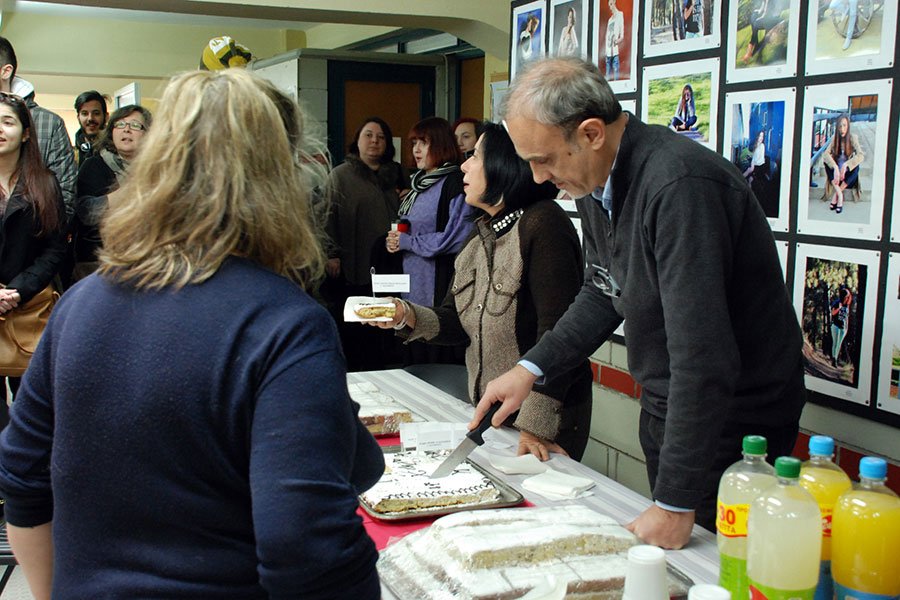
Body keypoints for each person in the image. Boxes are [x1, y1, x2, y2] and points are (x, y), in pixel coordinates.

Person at [0, 69, 383, 599]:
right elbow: (307, 546)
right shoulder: (283, 324)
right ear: (280, 176)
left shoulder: (79, 306)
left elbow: (23, 478)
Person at [473, 57, 805, 550]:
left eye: (544, 160)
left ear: (590, 133)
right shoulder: (590, 179)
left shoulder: (679, 186)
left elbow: (702, 356)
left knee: (712, 565)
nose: (539, 179)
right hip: (671, 404)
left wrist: (674, 502)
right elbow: (604, 289)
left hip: (733, 420)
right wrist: (531, 368)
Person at [374, 122, 592, 460]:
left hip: (541, 420)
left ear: (503, 164)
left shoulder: (543, 223)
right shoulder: (479, 236)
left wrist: (536, 426)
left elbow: (557, 335)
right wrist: (406, 315)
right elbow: (453, 321)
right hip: (493, 416)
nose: (464, 165)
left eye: (475, 155)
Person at [0, 92, 66, 427]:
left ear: (26, 133)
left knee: (31, 413)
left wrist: (16, 291)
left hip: (27, 307)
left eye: (7, 122)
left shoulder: (45, 183)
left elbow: (55, 248)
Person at [386, 117, 473, 365]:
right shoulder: (417, 185)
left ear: (442, 144)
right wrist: (394, 241)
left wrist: (408, 242)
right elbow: (409, 232)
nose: (416, 149)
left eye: (424, 142)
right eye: (414, 142)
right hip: (410, 286)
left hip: (438, 287)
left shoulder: (455, 182)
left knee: (436, 363)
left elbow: (456, 238)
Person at [324, 116, 404, 370]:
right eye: (368, 135)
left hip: (392, 265)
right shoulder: (341, 176)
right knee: (356, 325)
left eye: (381, 137)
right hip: (354, 263)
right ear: (357, 141)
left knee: (388, 322)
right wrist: (331, 253)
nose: (374, 141)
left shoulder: (398, 175)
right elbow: (326, 216)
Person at [73, 104, 152, 280]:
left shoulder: (160, 169)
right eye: (120, 125)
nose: (127, 130)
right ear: (111, 132)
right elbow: (86, 213)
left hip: (148, 261)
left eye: (135, 125)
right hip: (99, 263)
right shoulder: (94, 165)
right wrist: (136, 186)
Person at [823, 114, 863, 215]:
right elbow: (825, 154)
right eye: (840, 126)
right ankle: (840, 195)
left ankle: (836, 195)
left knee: (857, 166)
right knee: (826, 162)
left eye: (844, 125)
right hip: (836, 176)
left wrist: (846, 165)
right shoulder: (834, 139)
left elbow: (861, 155)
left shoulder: (853, 138)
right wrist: (836, 167)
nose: (842, 129)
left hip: (846, 175)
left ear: (848, 126)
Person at [73, 91, 108, 167]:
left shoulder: (117, 149)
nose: (90, 118)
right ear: (78, 117)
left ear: (106, 117)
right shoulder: (71, 154)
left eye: (96, 113)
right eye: (85, 113)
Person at [829, 286, 852, 368]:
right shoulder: (837, 302)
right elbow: (833, 313)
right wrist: (839, 308)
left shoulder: (847, 305)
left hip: (843, 327)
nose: (848, 298)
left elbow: (847, 316)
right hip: (835, 326)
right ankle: (834, 359)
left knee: (839, 344)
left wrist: (847, 327)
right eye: (847, 296)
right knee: (835, 343)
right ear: (844, 296)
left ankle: (835, 358)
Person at [605, 0, 625, 81]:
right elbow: (607, 36)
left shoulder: (620, 14)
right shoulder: (610, 20)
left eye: (611, 4)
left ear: (614, 2)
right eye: (609, 5)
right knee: (607, 76)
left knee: (616, 74)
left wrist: (616, 41)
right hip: (608, 52)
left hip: (615, 51)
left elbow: (622, 35)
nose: (610, 7)